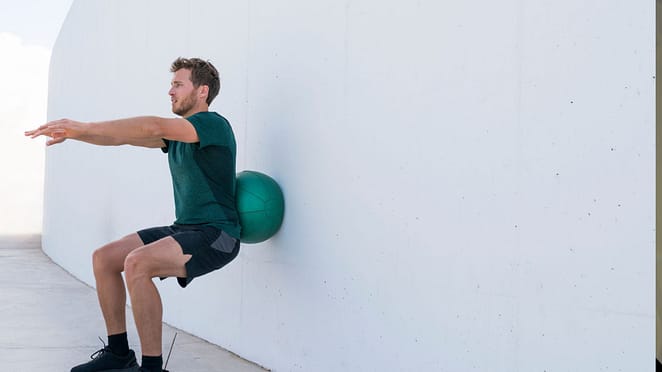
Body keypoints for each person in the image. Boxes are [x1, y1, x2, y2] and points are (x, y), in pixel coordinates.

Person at [25, 57, 241, 372]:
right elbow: (121, 136)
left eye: (178, 84)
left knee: (137, 263)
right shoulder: (176, 137)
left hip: (219, 235)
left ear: (202, 91)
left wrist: (81, 126)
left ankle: (152, 368)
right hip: (185, 228)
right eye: (171, 85)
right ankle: (118, 353)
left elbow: (151, 125)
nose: (170, 91)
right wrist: (75, 132)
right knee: (105, 257)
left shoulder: (212, 124)